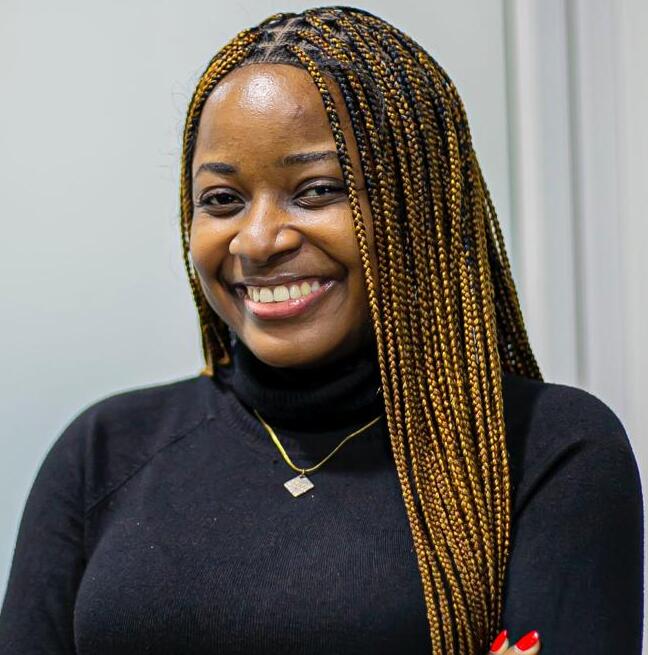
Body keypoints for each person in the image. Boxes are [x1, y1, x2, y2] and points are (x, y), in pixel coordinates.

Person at [0, 6, 642, 655]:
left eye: (316, 190)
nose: (257, 240)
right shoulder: (104, 451)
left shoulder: (545, 451)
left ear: (418, 204)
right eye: (222, 200)